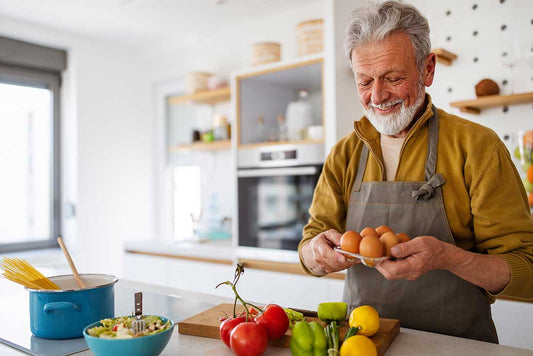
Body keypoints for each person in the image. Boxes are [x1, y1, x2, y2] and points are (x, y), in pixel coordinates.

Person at [298, 0, 533, 343]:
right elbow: (309, 245)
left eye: (393, 77)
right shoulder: (345, 153)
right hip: (363, 345)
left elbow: (526, 270)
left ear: (428, 69)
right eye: (364, 81)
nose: (377, 96)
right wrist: (316, 254)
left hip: (458, 348)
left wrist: (447, 258)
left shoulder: (477, 147)